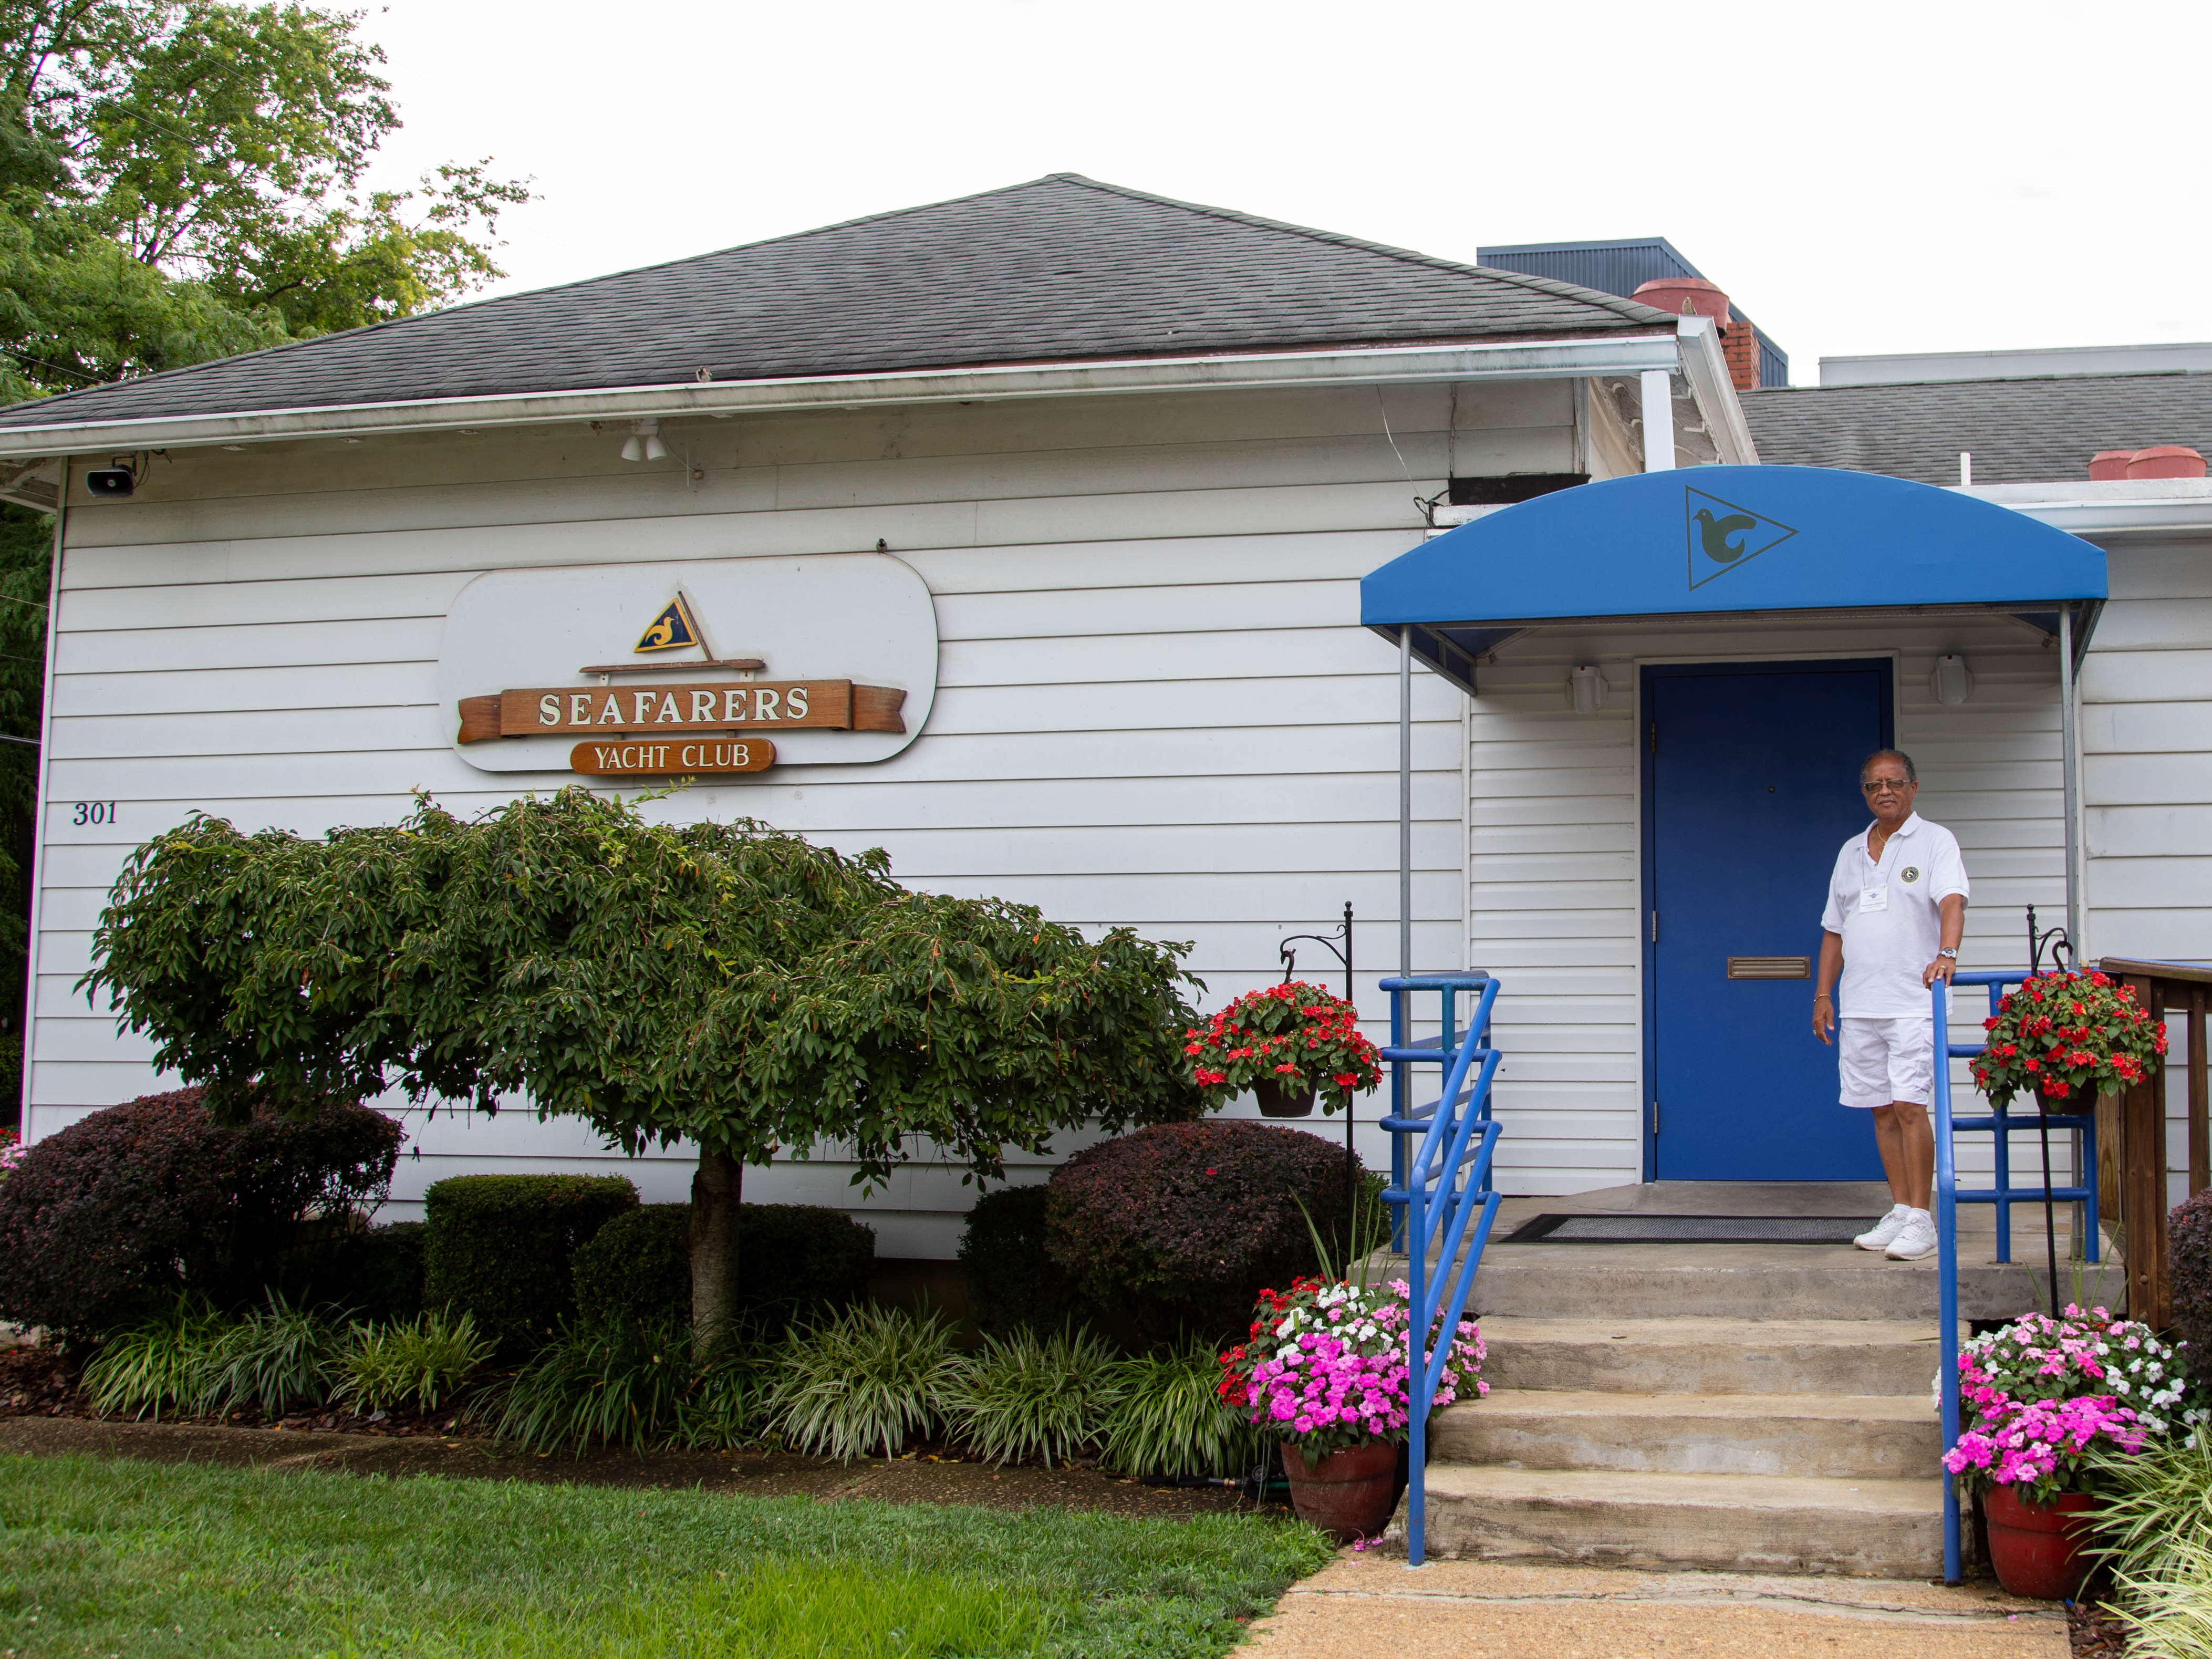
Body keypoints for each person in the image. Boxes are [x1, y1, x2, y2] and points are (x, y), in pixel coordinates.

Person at [1812, 749, 1968, 1262]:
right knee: (1879, 1109)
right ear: (1864, 792)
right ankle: (1900, 1210)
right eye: (1875, 784)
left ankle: (1922, 1218)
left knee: (1908, 1106)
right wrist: (1822, 994)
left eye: (1894, 782)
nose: (1885, 791)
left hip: (1912, 1002)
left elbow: (1951, 899)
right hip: (1860, 1003)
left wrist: (1946, 952)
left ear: (1913, 787)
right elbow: (1833, 929)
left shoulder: (1934, 841)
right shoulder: (1850, 850)